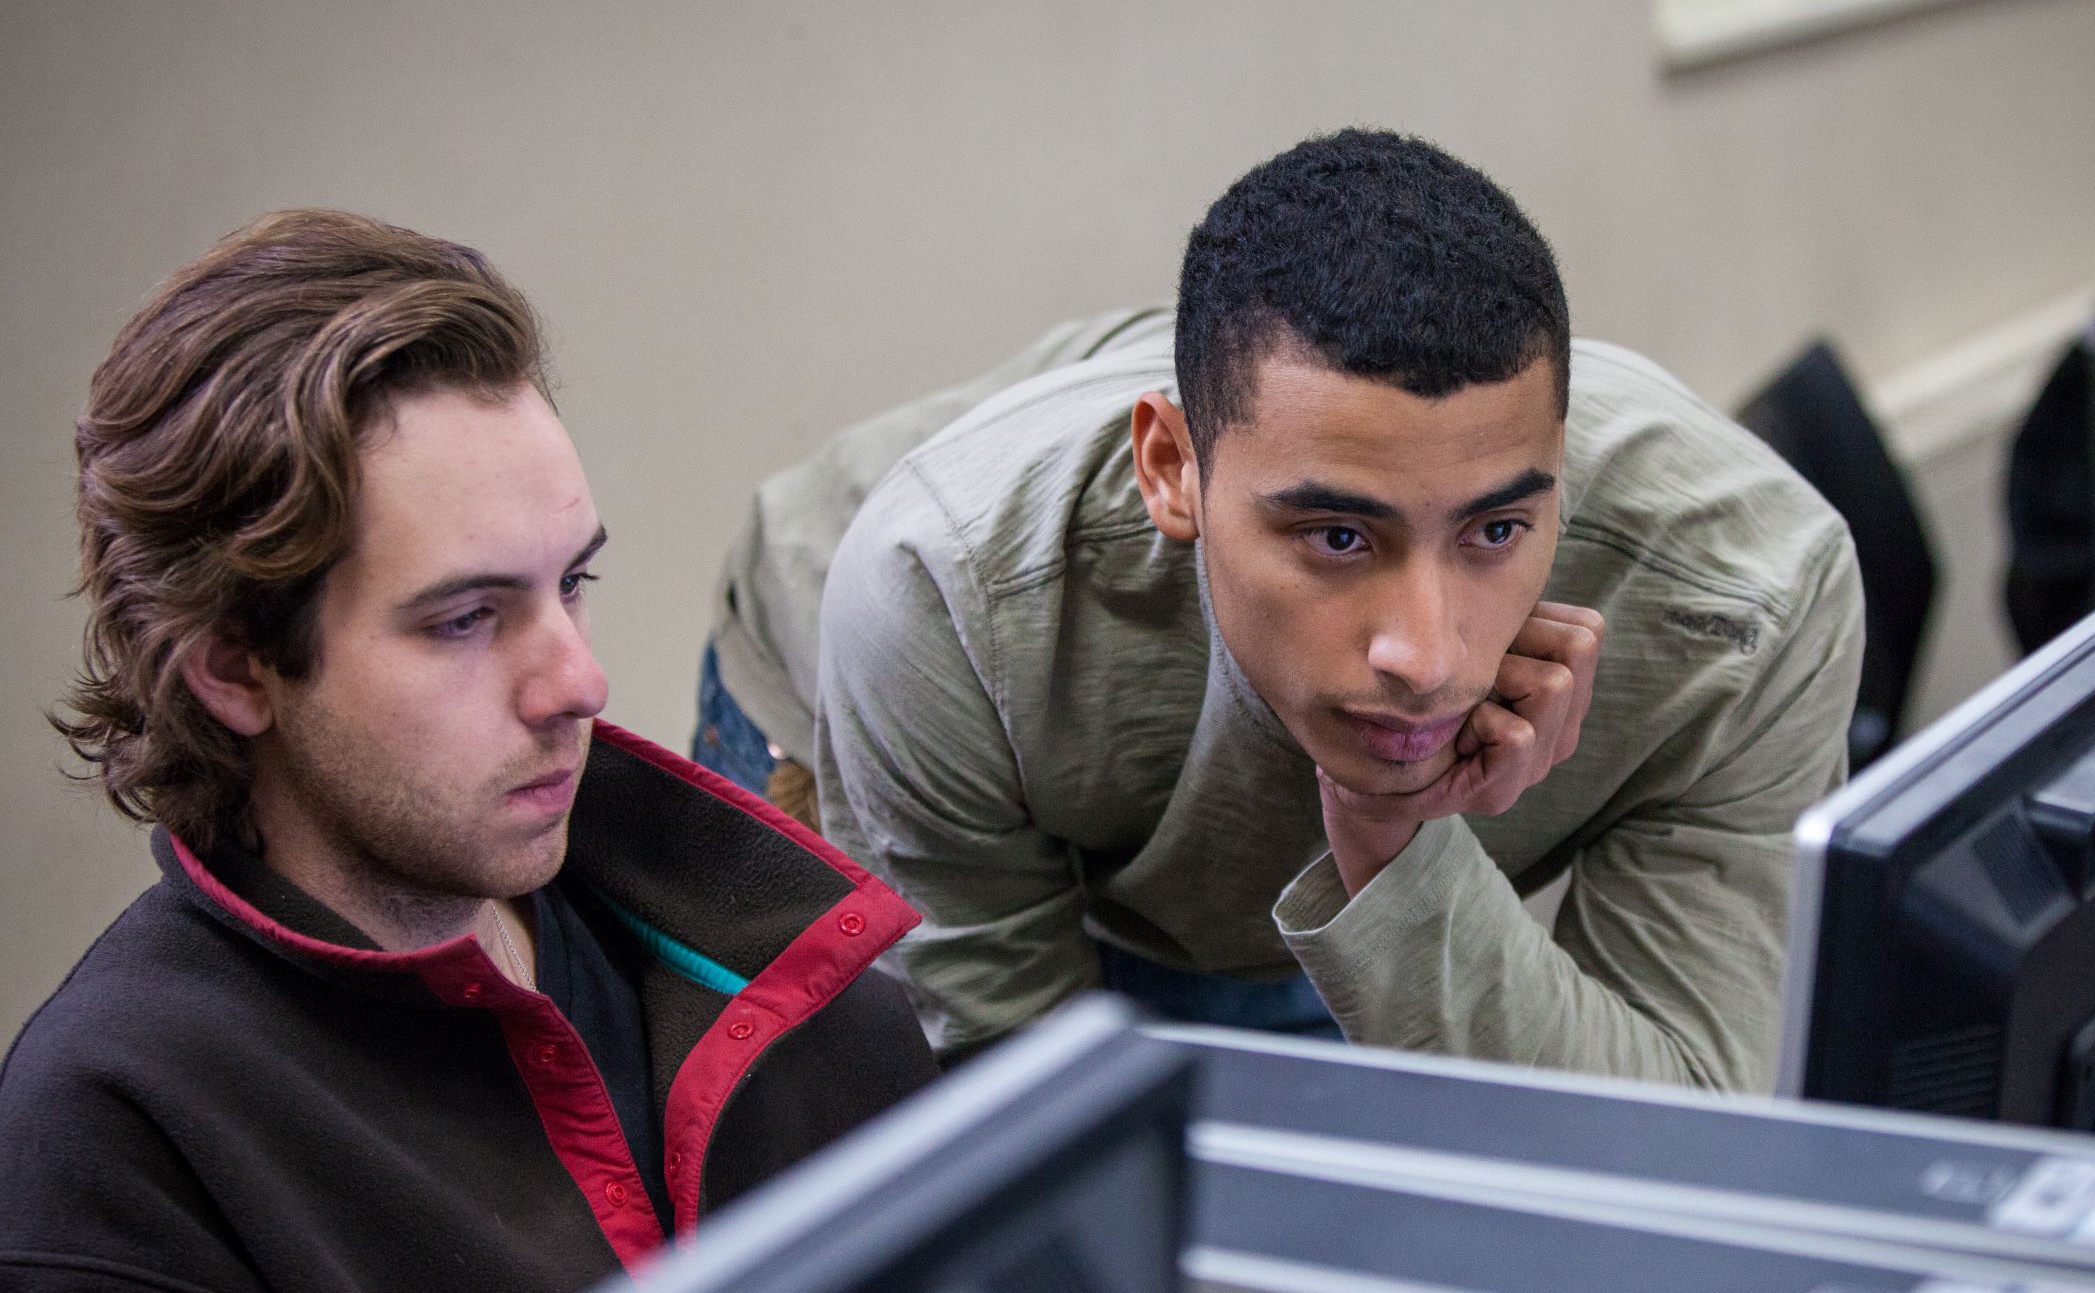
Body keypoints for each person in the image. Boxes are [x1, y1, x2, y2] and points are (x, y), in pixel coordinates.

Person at [0, 211, 937, 1293]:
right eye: (465, 620)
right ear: (234, 664)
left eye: (572, 585)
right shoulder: (115, 1151)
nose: (580, 681)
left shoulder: (759, 961)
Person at [714, 129, 1865, 1079]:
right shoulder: (942, 594)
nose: (1426, 654)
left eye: (1496, 531)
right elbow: (1026, 1148)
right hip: (869, 708)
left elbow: (1679, 1138)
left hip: (1190, 799)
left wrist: (1398, 840)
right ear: (1171, 471)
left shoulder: (1752, 595)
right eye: (1336, 535)